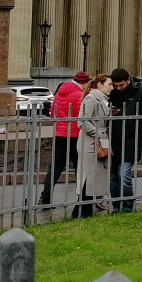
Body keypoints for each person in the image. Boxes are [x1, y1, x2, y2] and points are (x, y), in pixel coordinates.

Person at [106, 68, 142, 213]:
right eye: (115, 85)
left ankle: (127, 206)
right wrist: (109, 111)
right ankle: (115, 206)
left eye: (121, 85)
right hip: (112, 137)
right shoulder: (111, 90)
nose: (118, 88)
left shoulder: (140, 89)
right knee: (113, 176)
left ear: (128, 80)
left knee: (124, 174)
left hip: (131, 137)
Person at [39, 70, 89, 207]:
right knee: (80, 167)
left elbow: (52, 113)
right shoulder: (79, 95)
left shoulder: (59, 93)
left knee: (55, 167)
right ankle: (83, 198)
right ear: (83, 83)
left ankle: (45, 196)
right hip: (75, 135)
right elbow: (82, 115)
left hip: (60, 134)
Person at [73, 74, 112, 219]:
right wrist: (99, 133)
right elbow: (82, 121)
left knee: (93, 179)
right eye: (109, 84)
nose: (112, 88)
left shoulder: (102, 100)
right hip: (90, 143)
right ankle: (81, 212)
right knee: (87, 178)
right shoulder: (91, 98)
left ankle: (84, 212)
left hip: (98, 141)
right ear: (100, 85)